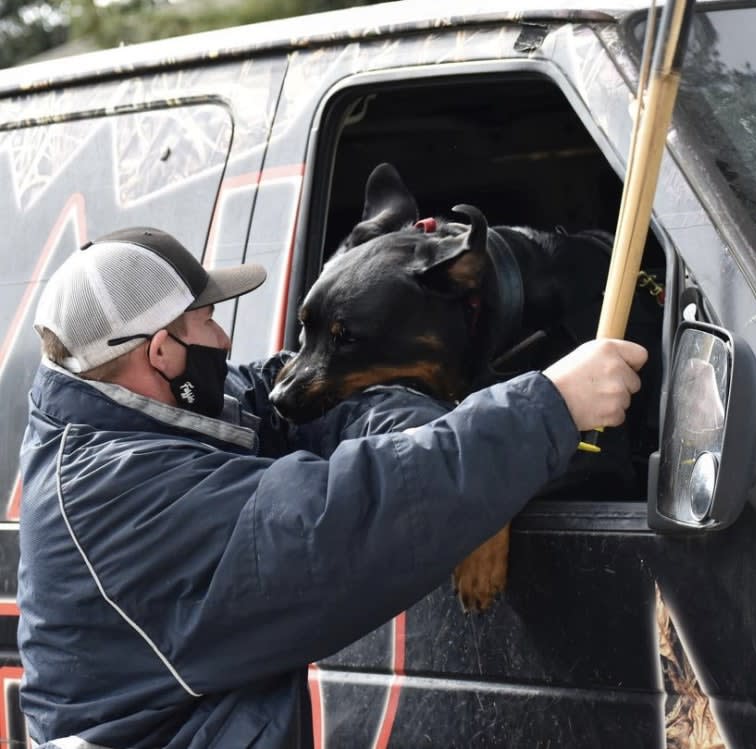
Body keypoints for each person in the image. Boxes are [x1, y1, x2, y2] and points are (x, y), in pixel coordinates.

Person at [18, 226, 647, 749]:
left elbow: (312, 400)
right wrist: (548, 406)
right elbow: (344, 519)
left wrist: (441, 440)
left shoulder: (180, 411)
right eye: (207, 322)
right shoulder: (118, 495)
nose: (225, 339)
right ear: (161, 353)